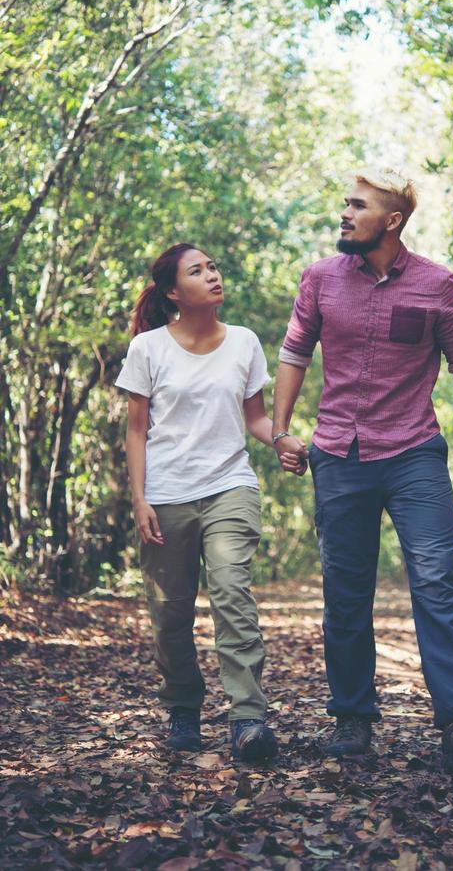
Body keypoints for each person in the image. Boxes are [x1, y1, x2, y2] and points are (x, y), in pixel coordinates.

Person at [272, 168, 453, 773]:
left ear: (392, 221)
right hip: (338, 456)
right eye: (345, 203)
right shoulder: (320, 279)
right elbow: (295, 353)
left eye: (357, 205)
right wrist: (280, 429)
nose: (344, 213)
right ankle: (353, 716)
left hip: (413, 452)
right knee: (346, 592)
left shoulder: (437, 284)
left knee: (436, 580)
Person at [115, 243, 305, 759]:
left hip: (230, 486)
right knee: (169, 613)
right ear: (174, 292)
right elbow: (136, 431)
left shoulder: (243, 342)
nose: (212, 276)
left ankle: (248, 719)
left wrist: (283, 439)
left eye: (213, 267)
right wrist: (140, 499)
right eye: (197, 271)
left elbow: (255, 420)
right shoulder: (148, 348)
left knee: (232, 593)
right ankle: (182, 707)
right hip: (166, 495)